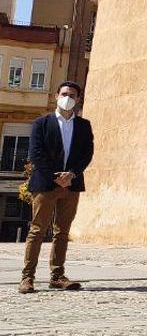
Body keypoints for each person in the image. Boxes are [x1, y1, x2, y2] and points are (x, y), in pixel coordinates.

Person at [19, 82, 94, 294]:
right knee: (37, 230)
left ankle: (57, 275)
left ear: (78, 99)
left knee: (62, 232)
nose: (67, 97)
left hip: (71, 185)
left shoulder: (84, 125)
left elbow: (86, 154)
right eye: (64, 94)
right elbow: (36, 153)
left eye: (72, 95)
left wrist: (72, 173)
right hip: (45, 184)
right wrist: (55, 176)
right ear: (56, 96)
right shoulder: (41, 123)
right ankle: (27, 277)